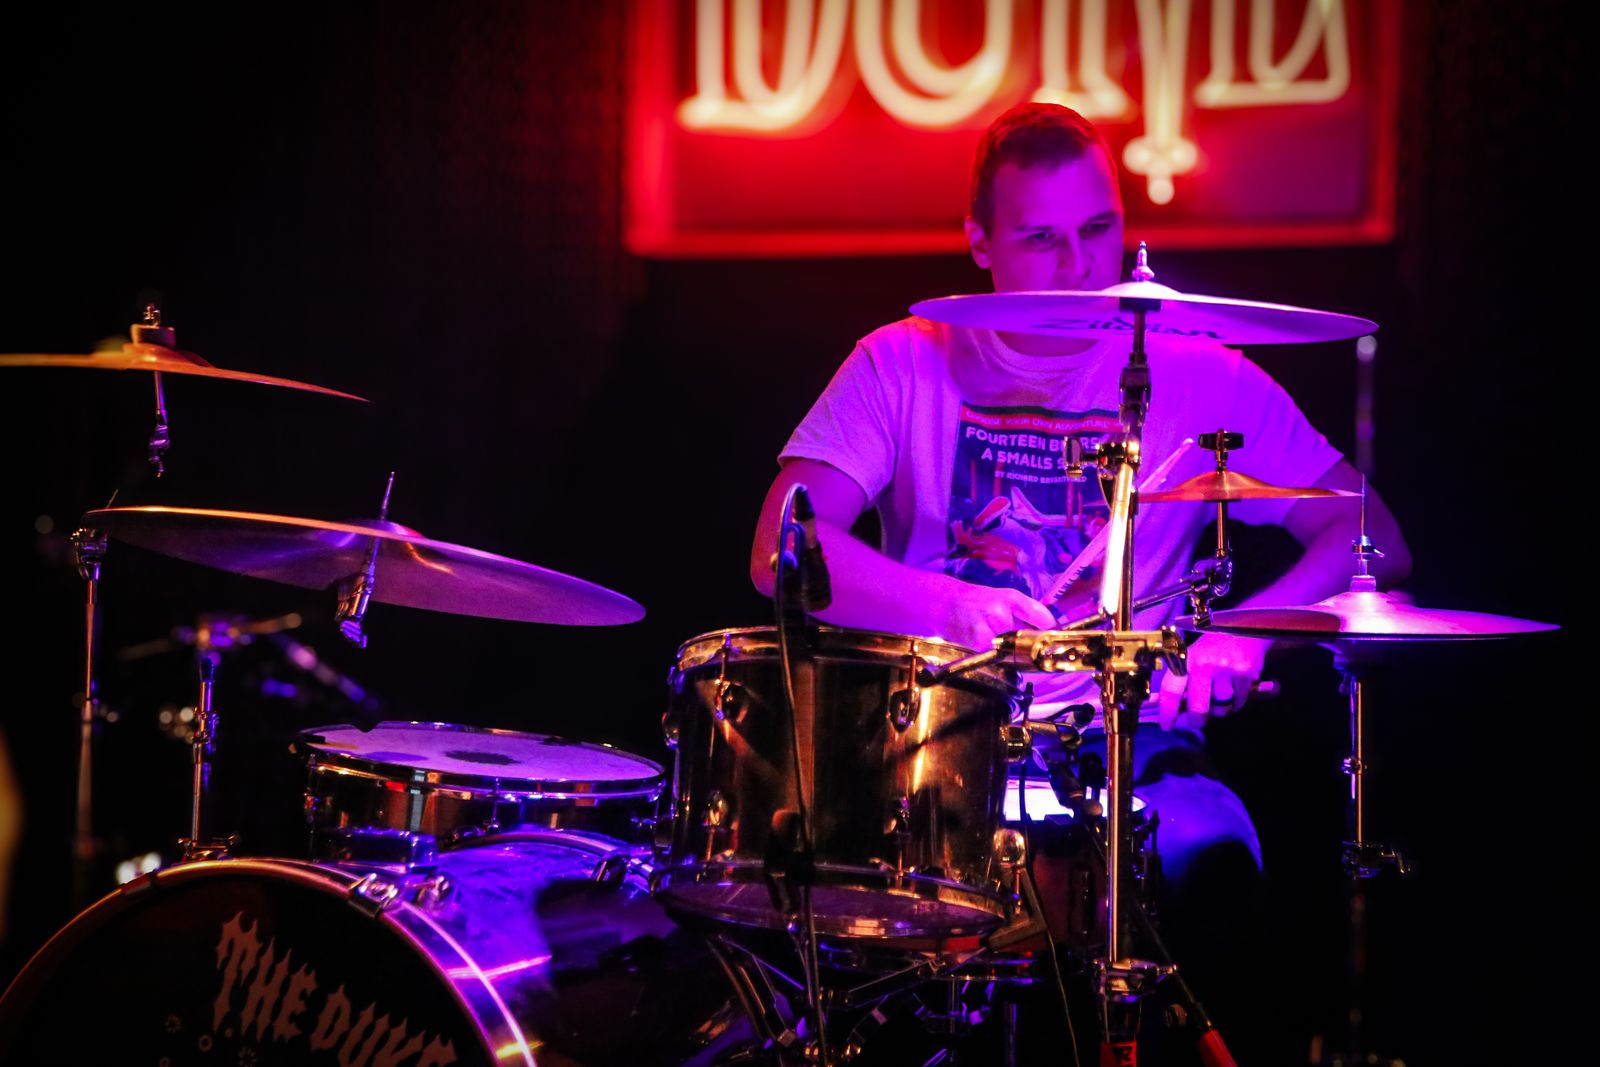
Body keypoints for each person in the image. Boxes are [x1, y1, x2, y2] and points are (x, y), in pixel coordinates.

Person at [749, 102, 1409, 1051]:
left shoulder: (1202, 374)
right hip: (934, 743)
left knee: (1213, 858)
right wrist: (951, 604)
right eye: (1042, 239)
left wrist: (1244, 631)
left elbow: (1371, 533)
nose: (1080, 264)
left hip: (1134, 747)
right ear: (980, 242)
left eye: (1099, 229)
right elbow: (781, 543)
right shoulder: (903, 360)